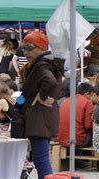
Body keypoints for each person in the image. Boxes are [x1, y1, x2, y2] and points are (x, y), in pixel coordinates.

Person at [19, 31, 63, 178]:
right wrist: (15, 103)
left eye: (29, 48)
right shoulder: (42, 64)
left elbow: (49, 81)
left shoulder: (42, 65)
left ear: (40, 48)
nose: (25, 52)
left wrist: (42, 96)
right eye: (23, 48)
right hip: (39, 116)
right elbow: (26, 94)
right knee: (41, 159)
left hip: (39, 117)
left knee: (41, 160)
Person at [58, 82, 95, 148]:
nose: (91, 98)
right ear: (86, 93)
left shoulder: (65, 101)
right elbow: (88, 126)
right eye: (91, 95)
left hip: (62, 139)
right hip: (77, 140)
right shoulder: (87, 103)